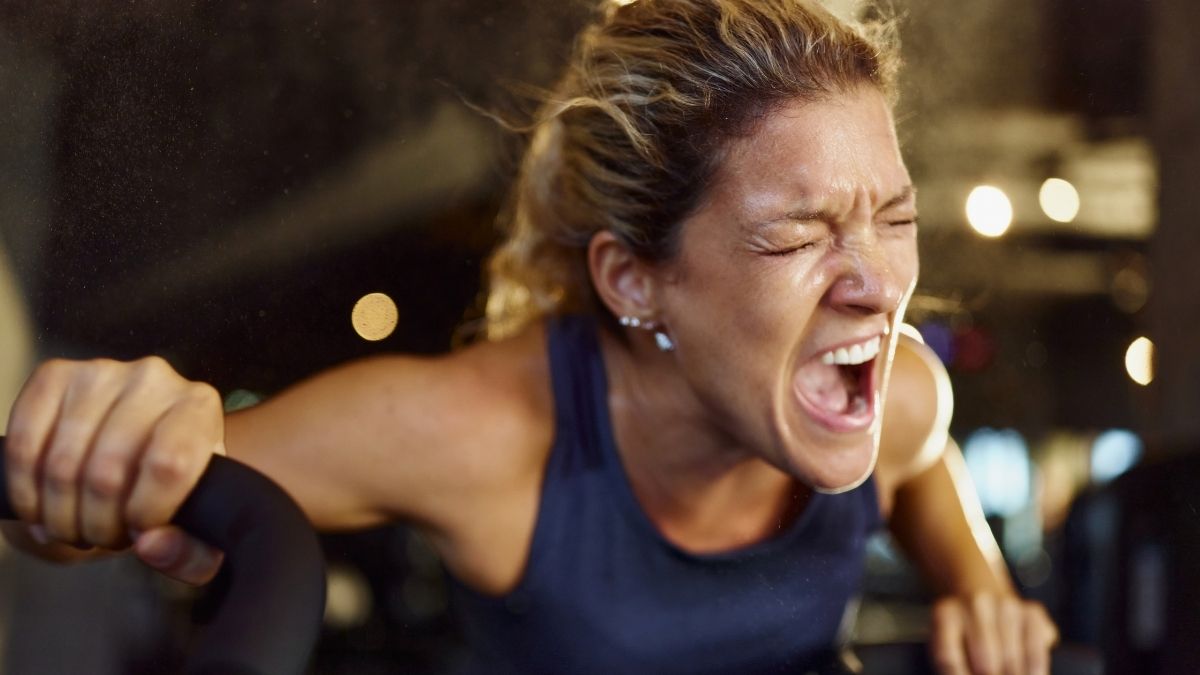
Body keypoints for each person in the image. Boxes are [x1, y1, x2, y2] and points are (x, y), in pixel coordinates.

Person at [2, 0, 1058, 673]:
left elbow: (922, 468)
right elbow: (85, 505)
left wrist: (981, 591)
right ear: (636, 280)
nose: (881, 287)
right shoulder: (480, 434)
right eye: (798, 236)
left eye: (897, 219)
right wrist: (105, 442)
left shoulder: (902, 397)